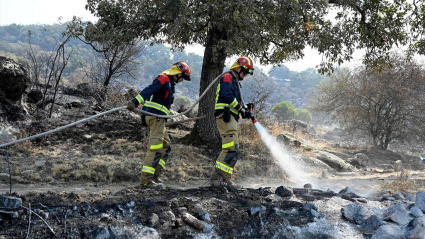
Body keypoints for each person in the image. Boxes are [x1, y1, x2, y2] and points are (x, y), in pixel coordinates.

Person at [127, 61, 192, 190]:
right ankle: (145, 182)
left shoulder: (169, 83)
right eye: (182, 77)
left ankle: (154, 177)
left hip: (159, 119)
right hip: (154, 117)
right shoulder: (164, 78)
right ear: (178, 73)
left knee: (166, 146)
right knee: (155, 148)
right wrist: (136, 102)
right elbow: (149, 90)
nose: (182, 80)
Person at [210, 56, 254, 188]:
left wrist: (245, 110)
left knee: (234, 151)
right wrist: (241, 108)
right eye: (244, 72)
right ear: (238, 67)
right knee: (229, 149)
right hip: (225, 117)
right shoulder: (227, 77)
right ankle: (215, 179)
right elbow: (227, 96)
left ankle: (225, 180)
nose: (245, 75)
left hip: (232, 119)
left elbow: (235, 101)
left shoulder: (234, 81)